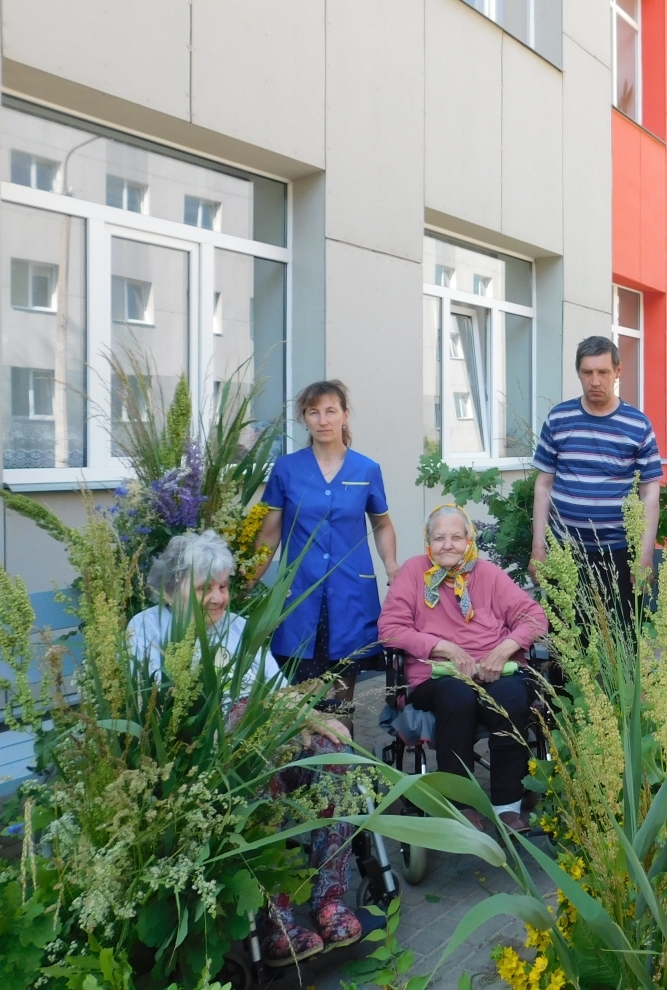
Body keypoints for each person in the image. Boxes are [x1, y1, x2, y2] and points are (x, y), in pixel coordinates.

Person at [129, 531, 363, 965]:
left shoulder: (238, 628)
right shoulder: (146, 630)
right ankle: (278, 919)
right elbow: (151, 714)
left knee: (333, 752)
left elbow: (276, 693)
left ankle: (330, 900)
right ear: (168, 590)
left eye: (223, 587)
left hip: (262, 748)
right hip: (205, 766)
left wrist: (315, 717)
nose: (219, 599)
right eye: (205, 589)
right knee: (252, 744)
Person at [379, 504, 549, 833]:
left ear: (469, 539)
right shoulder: (414, 574)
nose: (448, 544)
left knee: (511, 700)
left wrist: (503, 651)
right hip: (437, 676)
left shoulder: (488, 574)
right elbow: (390, 629)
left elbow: (534, 617)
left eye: (456, 537)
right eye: (439, 537)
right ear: (427, 542)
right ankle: (461, 805)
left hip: (496, 670)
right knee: (458, 697)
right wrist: (444, 648)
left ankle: (507, 806)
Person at [257, 380, 399, 729]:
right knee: (299, 700)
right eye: (313, 412)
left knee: (340, 699)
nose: (322, 420)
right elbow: (269, 532)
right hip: (298, 597)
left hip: (349, 595)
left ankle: (342, 775)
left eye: (330, 411)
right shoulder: (286, 469)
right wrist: (249, 579)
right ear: (304, 419)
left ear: (345, 416)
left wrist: (392, 566)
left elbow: (382, 524)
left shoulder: (366, 470)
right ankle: (301, 776)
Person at [529, 336, 663, 621]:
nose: (595, 381)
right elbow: (543, 485)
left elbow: (650, 493)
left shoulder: (637, 425)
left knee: (622, 645)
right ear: (578, 372)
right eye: (587, 372)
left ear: (617, 371)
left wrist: (645, 555)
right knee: (568, 648)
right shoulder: (559, 419)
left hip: (618, 553)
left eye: (603, 372)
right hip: (565, 553)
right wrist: (538, 549)